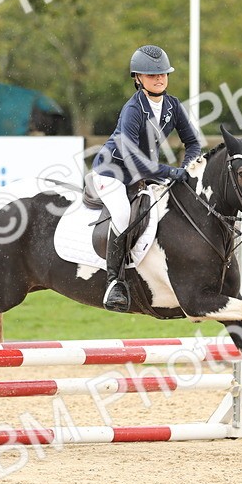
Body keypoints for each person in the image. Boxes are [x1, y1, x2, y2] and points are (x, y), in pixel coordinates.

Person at [91, 45, 201, 312]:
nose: (159, 78)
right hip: (113, 172)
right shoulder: (133, 109)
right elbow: (132, 159)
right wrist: (171, 172)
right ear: (138, 78)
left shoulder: (173, 105)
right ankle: (114, 282)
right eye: (152, 75)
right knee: (122, 215)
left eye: (163, 73)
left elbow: (193, 144)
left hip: (144, 173)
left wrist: (186, 168)